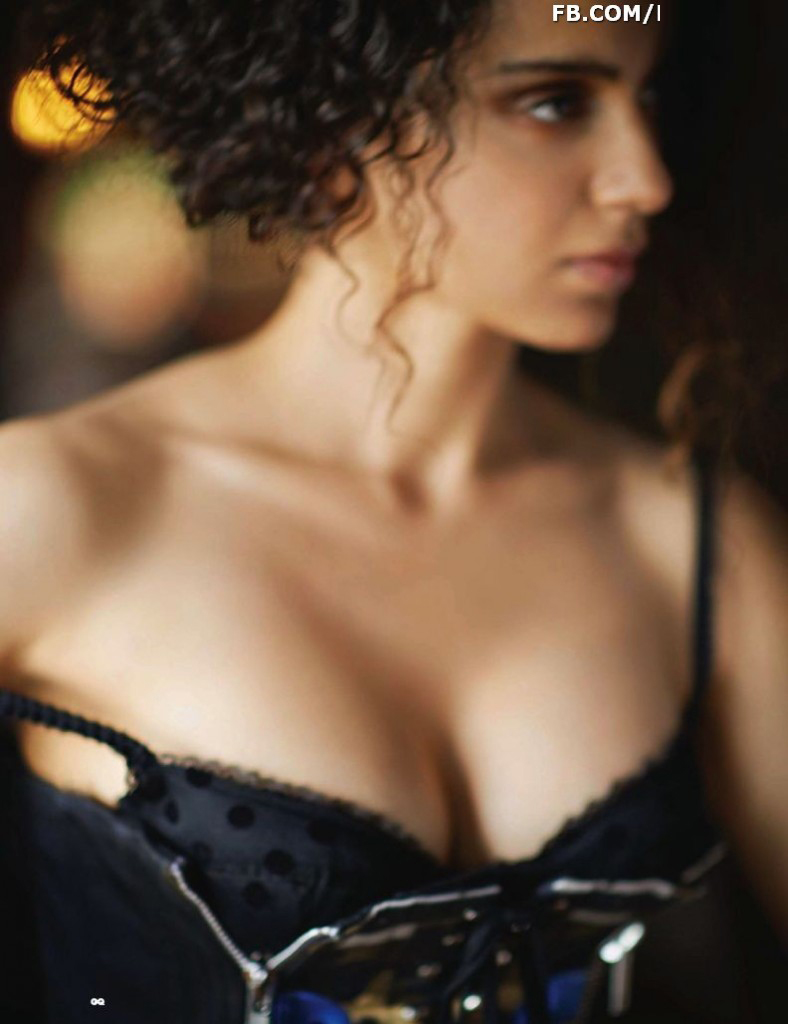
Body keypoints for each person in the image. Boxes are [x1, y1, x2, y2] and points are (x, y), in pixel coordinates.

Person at [1, 0, 787, 1021]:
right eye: (555, 102)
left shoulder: (693, 541)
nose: (644, 178)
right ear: (339, 114)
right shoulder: (54, 505)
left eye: (648, 99)